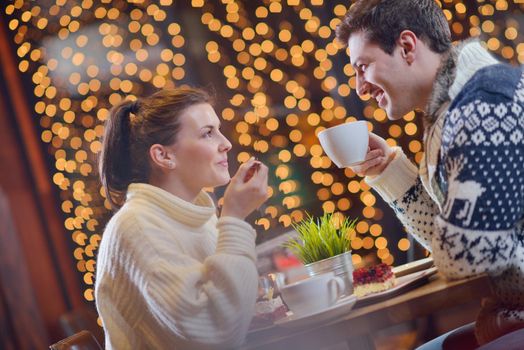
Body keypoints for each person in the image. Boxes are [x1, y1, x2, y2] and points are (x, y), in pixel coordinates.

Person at [336, 0, 524, 347]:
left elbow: (473, 256)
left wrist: (461, 244)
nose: (360, 87)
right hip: (504, 318)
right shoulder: (456, 104)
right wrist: (391, 170)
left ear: (407, 46)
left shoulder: (481, 109)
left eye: (363, 67)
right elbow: (457, 239)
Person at [95, 87, 269, 349]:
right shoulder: (136, 227)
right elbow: (216, 333)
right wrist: (233, 218)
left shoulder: (198, 215)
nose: (226, 143)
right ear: (164, 156)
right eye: (207, 133)